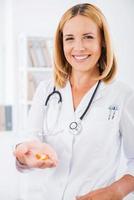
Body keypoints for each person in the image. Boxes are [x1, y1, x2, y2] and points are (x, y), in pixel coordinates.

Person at [14, 3, 134, 200]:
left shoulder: (123, 96)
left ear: (102, 41)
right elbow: (30, 143)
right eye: (69, 39)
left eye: (88, 37)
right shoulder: (46, 91)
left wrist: (116, 191)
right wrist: (25, 155)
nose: (78, 47)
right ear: (61, 44)